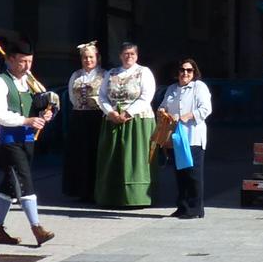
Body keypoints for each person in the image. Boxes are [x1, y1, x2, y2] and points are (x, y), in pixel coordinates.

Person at [0, 40, 55, 247]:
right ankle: (37, 228)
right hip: (9, 141)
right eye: (22, 61)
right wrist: (26, 120)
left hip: (27, 139)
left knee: (9, 184)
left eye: (30, 62)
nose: (26, 66)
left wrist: (45, 113)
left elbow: (38, 105)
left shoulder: (29, 81)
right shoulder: (0, 82)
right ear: (10, 59)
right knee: (24, 181)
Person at [95, 41, 157, 209]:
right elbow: (101, 97)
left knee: (135, 159)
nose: (129, 56)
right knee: (112, 158)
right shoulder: (111, 73)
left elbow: (147, 96)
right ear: (120, 55)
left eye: (132, 54)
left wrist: (128, 113)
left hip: (137, 120)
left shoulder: (143, 72)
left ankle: (137, 196)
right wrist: (111, 112)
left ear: (137, 56)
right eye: (126, 53)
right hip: (113, 120)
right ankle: (111, 195)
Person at [158, 58, 214, 219]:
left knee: (193, 173)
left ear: (194, 73)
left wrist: (188, 116)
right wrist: (162, 111)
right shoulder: (172, 89)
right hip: (177, 138)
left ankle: (195, 208)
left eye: (189, 70)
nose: (185, 73)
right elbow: (163, 105)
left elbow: (205, 109)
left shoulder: (199, 87)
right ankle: (182, 206)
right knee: (180, 173)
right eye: (182, 70)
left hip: (193, 136)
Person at [63, 42, 105, 205]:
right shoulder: (76, 75)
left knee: (95, 153)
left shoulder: (104, 75)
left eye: (91, 57)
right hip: (79, 117)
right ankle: (81, 190)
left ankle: (96, 190)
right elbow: (72, 97)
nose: (88, 60)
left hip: (97, 117)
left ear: (97, 58)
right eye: (85, 57)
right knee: (80, 154)